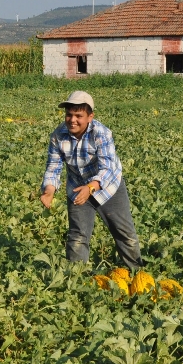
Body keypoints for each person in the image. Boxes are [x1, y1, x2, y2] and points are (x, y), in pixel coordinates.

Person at [40, 90, 143, 270]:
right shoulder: (58, 135)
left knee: (125, 234)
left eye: (78, 116)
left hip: (108, 187)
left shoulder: (101, 133)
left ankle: (136, 272)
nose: (72, 120)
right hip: (78, 188)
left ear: (90, 117)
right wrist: (49, 190)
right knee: (77, 236)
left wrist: (92, 187)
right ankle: (77, 280)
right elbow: (53, 166)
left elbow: (108, 168)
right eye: (69, 115)